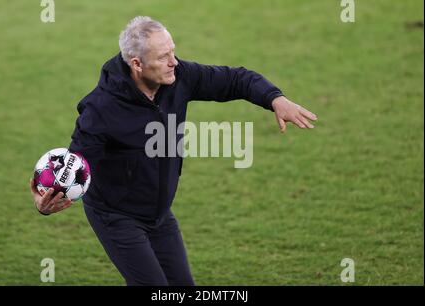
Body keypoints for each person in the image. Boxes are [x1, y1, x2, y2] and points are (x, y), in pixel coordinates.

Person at [30, 16, 317, 286]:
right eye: (163, 57)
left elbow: (235, 79)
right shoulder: (101, 108)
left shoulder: (180, 77)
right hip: (116, 216)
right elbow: (75, 164)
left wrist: (275, 99)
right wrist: (46, 202)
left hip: (159, 213)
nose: (173, 62)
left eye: (173, 52)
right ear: (137, 64)